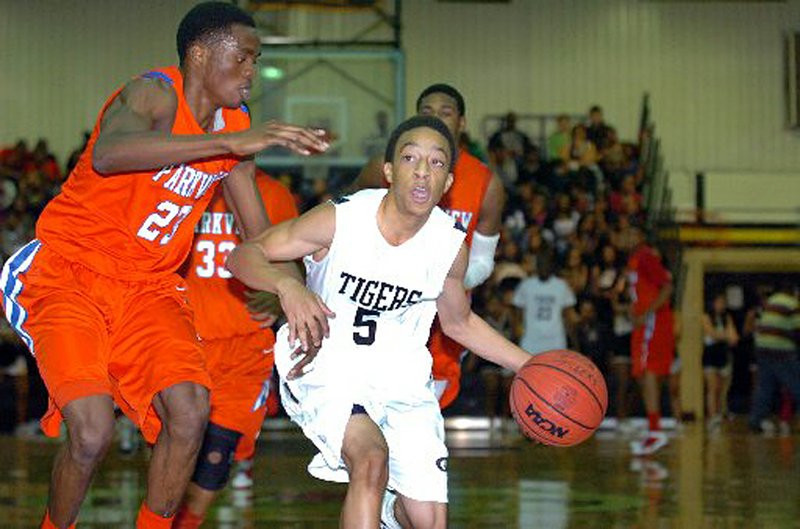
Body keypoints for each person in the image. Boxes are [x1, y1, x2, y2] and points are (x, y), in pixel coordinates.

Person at [0, 3, 329, 528]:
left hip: (147, 287)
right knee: (89, 432)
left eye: (256, 60)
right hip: (71, 273)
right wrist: (227, 143)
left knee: (191, 409)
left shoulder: (234, 124)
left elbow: (259, 238)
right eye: (243, 58)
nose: (252, 72)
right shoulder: (153, 92)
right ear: (200, 54)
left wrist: (290, 289)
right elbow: (109, 153)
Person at [225, 116, 531, 529]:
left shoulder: (449, 246)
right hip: (327, 362)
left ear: (448, 182)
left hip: (402, 377)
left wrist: (529, 366)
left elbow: (458, 324)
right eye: (410, 158)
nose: (423, 170)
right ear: (389, 172)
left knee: (428, 521)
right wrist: (287, 286)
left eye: (437, 163)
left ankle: (387, 513)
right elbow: (244, 255)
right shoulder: (342, 218)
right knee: (370, 460)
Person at [348, 83, 505, 409]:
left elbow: (484, 261)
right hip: (381, 302)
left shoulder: (487, 183)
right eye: (426, 112)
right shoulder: (383, 167)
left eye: (445, 112)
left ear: (461, 123)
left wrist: (443, 282)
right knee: (370, 404)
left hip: (445, 314)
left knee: (423, 409)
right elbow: (346, 216)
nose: (436, 119)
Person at [172, 169, 299, 528]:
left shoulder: (274, 193)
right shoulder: (181, 185)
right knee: (174, 453)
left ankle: (189, 522)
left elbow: (295, 264)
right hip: (181, 341)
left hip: (245, 348)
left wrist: (282, 293)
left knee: (217, 455)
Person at [626, 224, 675, 456]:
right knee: (643, 375)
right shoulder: (634, 259)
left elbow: (666, 288)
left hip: (653, 322)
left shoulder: (646, 256)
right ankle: (652, 428)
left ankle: (655, 431)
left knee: (649, 373)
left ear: (640, 235)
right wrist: (632, 310)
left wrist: (646, 313)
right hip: (643, 322)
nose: (624, 237)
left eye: (629, 232)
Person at [748, 283, 800, 434]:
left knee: (765, 386)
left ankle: (755, 420)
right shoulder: (793, 304)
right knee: (796, 383)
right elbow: (798, 330)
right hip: (781, 350)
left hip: (762, 348)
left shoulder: (772, 301)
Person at [512, 250, 578, 355]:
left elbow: (568, 316)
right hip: (530, 341)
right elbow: (517, 313)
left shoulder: (561, 286)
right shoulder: (526, 285)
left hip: (556, 340)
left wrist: (574, 342)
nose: (543, 266)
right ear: (536, 265)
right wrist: (518, 332)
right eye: (540, 263)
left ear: (551, 265)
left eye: (546, 263)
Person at [702, 291, 739, 431]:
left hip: (723, 354)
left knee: (723, 388)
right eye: (719, 302)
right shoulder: (706, 316)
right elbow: (712, 334)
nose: (722, 305)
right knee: (713, 387)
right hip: (710, 355)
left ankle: (721, 411)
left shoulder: (726, 317)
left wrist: (727, 336)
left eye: (724, 302)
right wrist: (726, 336)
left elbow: (734, 337)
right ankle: (712, 416)